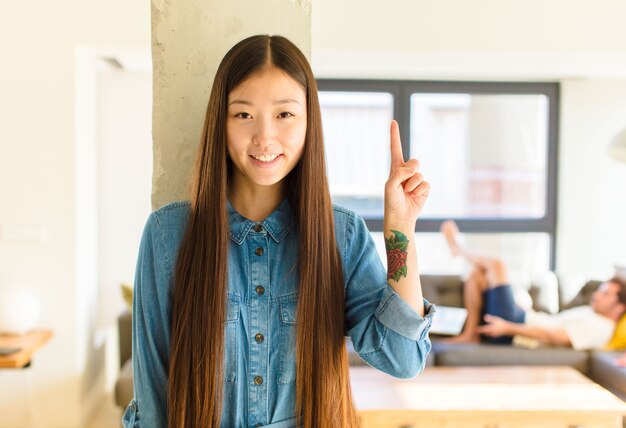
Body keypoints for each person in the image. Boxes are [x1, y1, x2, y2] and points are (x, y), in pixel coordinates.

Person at [122, 35, 434, 428]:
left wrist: (400, 229)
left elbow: (404, 360)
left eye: (284, 115)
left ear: (308, 122)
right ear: (221, 121)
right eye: (243, 115)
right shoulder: (168, 234)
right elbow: (153, 401)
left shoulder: (342, 235)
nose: (264, 137)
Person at [440, 220, 626, 350]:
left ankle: (457, 249)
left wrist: (507, 327)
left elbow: (557, 337)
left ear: (620, 307)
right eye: (601, 291)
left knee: (497, 264)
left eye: (606, 294)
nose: (596, 295)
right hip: (520, 319)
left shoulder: (601, 327)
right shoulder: (593, 313)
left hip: (513, 330)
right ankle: (470, 334)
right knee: (477, 275)